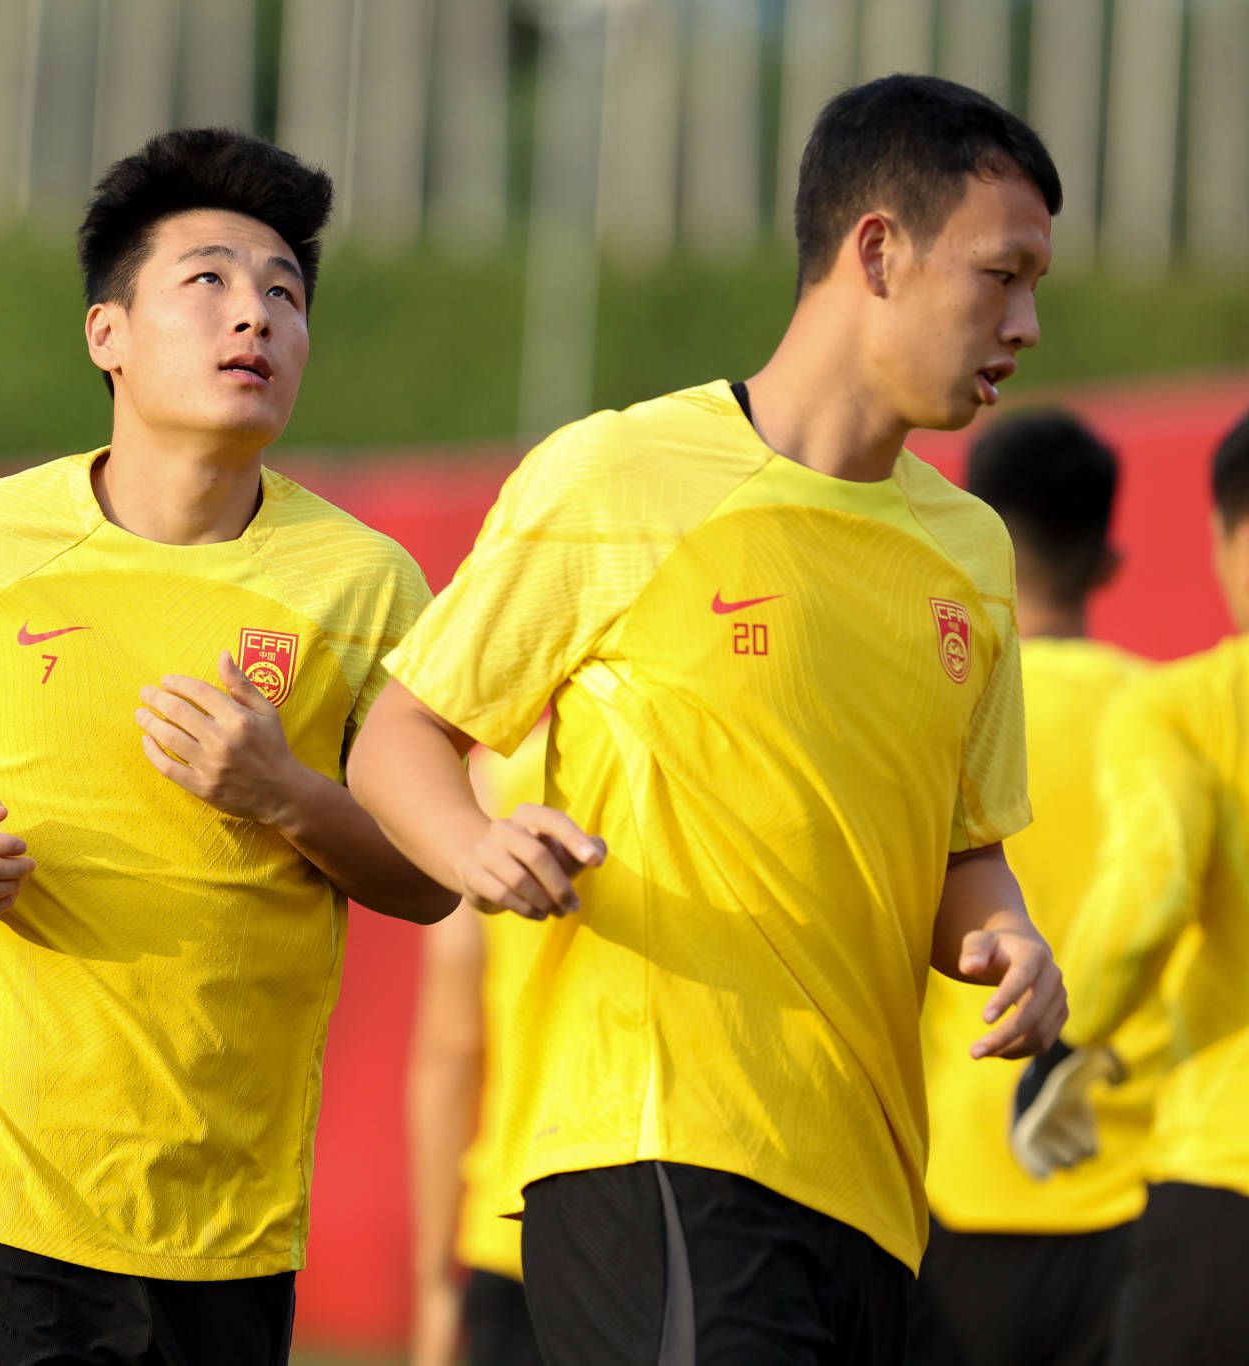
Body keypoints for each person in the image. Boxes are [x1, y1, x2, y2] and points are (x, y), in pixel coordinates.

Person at [348, 74, 1068, 1364]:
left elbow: (962, 849)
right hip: (656, 1147)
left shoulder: (968, 551)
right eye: (998, 276)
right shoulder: (617, 475)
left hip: (871, 1189)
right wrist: (473, 849)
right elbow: (398, 734)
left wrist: (1009, 940)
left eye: (1033, 290)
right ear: (876, 252)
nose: (1022, 323)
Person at [0, 127, 449, 1366]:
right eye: (206, 280)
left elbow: (428, 876)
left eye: (283, 292)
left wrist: (283, 794)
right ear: (106, 333)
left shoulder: (365, 584)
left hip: (229, 1226)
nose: (253, 317)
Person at [913, 410, 1163, 1366]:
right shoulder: (1170, 722)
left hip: (956, 1194)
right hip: (1141, 1197)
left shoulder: (933, 726)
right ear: (1108, 562)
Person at [1014, 407, 1249, 1364]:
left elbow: (1153, 890)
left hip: (1222, 1177)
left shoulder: (1185, 708)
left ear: (1231, 538)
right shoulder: (1135, 692)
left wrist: (1064, 1041)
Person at [408, 727, 547, 1366]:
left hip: (525, 1228)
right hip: (778, 1211)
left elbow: (452, 1047)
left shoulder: (498, 786)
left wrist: (437, 1285)